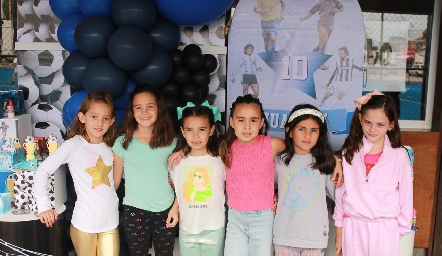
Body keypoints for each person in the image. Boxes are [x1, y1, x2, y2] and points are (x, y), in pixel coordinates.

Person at [34, 92, 119, 256]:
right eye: (94, 116)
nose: (99, 123)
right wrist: (43, 206)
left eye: (105, 118)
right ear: (82, 117)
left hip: (110, 222)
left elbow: (114, 181)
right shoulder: (73, 145)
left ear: (112, 121)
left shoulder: (111, 147)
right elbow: (42, 171)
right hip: (85, 225)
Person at [333, 89, 413, 255]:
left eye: (380, 124)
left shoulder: (399, 156)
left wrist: (396, 232)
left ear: (391, 125)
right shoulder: (348, 153)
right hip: (353, 227)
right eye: (368, 122)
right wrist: (339, 234)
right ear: (360, 119)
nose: (372, 129)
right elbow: (340, 195)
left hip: (385, 230)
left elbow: (406, 198)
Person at [113, 84, 178, 256]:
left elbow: (182, 176)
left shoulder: (172, 141)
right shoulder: (122, 142)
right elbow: (115, 182)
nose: (144, 112)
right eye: (138, 107)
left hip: (165, 209)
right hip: (135, 210)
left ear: (159, 109)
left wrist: (176, 204)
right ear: (132, 112)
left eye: (150, 106)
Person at [219, 94, 285, 256]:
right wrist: (180, 152)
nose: (247, 126)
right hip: (235, 217)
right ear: (232, 122)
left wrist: (332, 157)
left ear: (261, 122)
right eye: (241, 120)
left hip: (262, 218)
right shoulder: (225, 147)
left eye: (253, 120)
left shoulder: (272, 144)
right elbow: (198, 150)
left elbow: (301, 151)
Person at [273, 104, 339, 256]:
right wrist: (273, 195)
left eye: (314, 130)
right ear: (289, 131)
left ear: (320, 134)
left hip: (314, 238)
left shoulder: (325, 163)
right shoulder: (280, 161)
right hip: (285, 236)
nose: (307, 135)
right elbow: (266, 185)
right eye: (301, 129)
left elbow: (338, 195)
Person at [170, 101, 226, 256]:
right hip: (187, 228)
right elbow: (180, 191)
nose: (195, 136)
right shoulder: (177, 162)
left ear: (211, 130)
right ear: (182, 131)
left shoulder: (221, 160)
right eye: (189, 130)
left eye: (201, 129)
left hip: (214, 227)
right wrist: (175, 209)